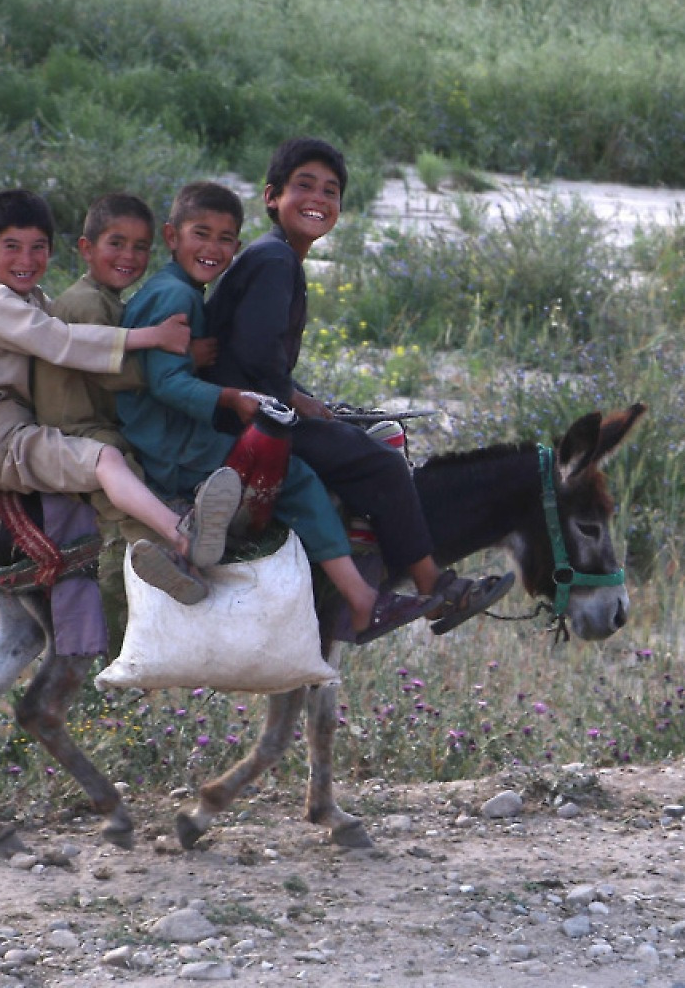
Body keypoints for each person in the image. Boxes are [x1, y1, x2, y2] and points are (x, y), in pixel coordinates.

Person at [202, 138, 515, 635]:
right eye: (304, 186)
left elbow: (255, 355)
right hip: (244, 418)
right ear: (271, 197)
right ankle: (433, 588)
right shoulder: (276, 260)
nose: (318, 199)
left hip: (254, 404)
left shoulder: (275, 256)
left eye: (331, 191)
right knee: (383, 465)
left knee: (357, 431)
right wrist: (296, 401)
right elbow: (258, 355)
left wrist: (306, 399)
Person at [118, 180, 438, 643]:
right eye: (200, 234)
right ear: (172, 237)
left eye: (225, 239)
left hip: (167, 431)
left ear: (239, 245)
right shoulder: (177, 297)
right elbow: (165, 383)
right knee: (296, 475)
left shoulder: (176, 288)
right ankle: (360, 598)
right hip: (172, 442)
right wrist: (231, 399)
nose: (213, 248)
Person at [0, 188, 241, 609]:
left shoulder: (33, 300)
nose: (26, 260)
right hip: (1, 443)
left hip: (17, 432)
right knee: (108, 460)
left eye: (37, 248)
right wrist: (160, 341)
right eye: (12, 248)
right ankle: (177, 537)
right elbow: (64, 343)